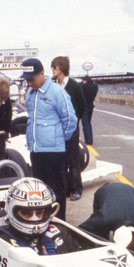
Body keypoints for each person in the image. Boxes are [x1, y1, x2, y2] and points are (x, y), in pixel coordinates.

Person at [20, 57, 77, 221]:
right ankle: (42, 221)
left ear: (42, 73)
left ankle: (59, 224)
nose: (29, 83)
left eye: (31, 79)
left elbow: (70, 120)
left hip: (54, 152)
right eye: (26, 80)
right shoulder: (30, 93)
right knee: (39, 193)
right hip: (36, 151)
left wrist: (59, 139)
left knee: (56, 191)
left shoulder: (57, 92)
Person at [78, 182, 134, 263]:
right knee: (100, 238)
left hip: (129, 190)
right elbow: (79, 229)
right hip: (105, 190)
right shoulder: (104, 218)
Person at [0, 177, 79, 255]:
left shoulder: (60, 233)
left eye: (39, 212)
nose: (34, 218)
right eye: (26, 213)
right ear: (10, 210)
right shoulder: (1, 242)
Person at [51, 56, 86, 201]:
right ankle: (64, 189)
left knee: (73, 157)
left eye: (54, 67)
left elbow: (82, 106)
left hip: (71, 128)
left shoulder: (74, 86)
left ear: (61, 68)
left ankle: (76, 189)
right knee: (60, 158)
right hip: (56, 128)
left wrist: (74, 119)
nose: (52, 69)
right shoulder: (52, 85)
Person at [81, 75, 98, 145]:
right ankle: (90, 139)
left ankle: (88, 140)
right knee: (89, 123)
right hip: (91, 105)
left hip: (85, 106)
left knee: (85, 124)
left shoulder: (84, 86)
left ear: (85, 80)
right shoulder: (95, 86)